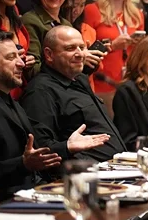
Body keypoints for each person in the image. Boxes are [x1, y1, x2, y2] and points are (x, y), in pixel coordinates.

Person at [0, 31, 110, 200]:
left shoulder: (9, 101)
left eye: (19, 56)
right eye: (10, 57)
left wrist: (66, 147)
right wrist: (22, 165)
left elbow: (33, 154)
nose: (21, 63)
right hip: (6, 203)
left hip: (35, 193)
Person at [20, 26, 125, 162]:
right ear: (49, 54)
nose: (80, 54)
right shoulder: (40, 91)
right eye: (70, 48)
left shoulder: (80, 80)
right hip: (83, 171)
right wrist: (67, 147)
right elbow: (40, 148)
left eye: (82, 47)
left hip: (116, 166)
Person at [22, 0, 104, 76]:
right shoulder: (31, 20)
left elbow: (75, 73)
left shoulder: (65, 23)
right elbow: (32, 70)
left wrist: (86, 59)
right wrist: (74, 59)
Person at [82, 0, 145, 99]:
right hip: (101, 84)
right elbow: (86, 51)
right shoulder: (92, 10)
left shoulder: (137, 15)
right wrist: (112, 46)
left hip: (129, 85)